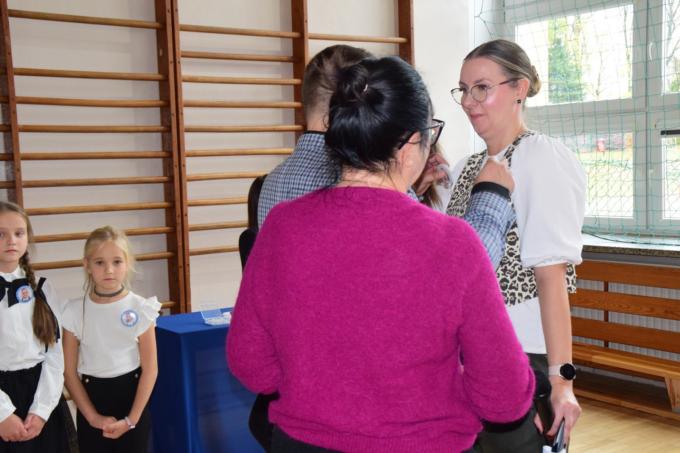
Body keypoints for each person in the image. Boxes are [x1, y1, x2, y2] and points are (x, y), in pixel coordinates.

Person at [228, 55, 535, 453]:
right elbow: (504, 394)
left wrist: (313, 389)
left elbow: (250, 362)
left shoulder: (282, 226)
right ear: (410, 145)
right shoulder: (452, 242)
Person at [257, 44, 516, 269]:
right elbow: (457, 265)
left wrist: (408, 185)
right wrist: (491, 194)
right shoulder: (351, 182)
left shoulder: (273, 188)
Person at [447, 39, 586, 452]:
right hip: (466, 356)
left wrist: (561, 381)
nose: (469, 101)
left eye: (482, 88)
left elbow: (550, 277)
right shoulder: (465, 168)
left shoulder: (540, 157)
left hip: (521, 355)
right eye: (463, 90)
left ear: (519, 89)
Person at [62, 226, 160, 453]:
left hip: (133, 402)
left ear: (127, 264)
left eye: (117, 262)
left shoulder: (140, 308)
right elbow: (68, 372)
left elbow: (150, 369)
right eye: (99, 262)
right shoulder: (73, 311)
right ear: (87, 265)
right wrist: (92, 417)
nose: (109, 270)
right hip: (91, 402)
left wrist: (131, 420)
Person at [0, 201, 74, 453]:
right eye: (1, 234)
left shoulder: (43, 288)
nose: (11, 240)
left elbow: (55, 355)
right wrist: (3, 414)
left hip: (41, 396)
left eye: (18, 233)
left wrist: (41, 411)